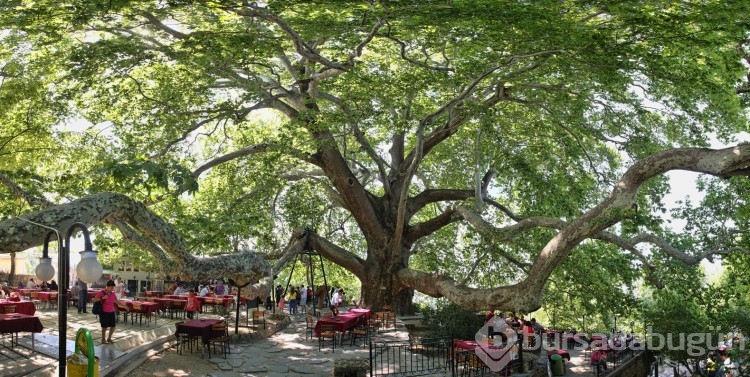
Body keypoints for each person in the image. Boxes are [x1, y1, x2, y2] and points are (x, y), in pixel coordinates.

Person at [94, 280, 122, 344]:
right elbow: (94, 299)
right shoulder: (102, 292)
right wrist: (102, 298)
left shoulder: (112, 293)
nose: (112, 289)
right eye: (111, 287)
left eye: (113, 287)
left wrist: (125, 306)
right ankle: (103, 339)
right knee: (105, 326)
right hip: (104, 311)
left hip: (112, 311)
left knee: (113, 325)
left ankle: (109, 338)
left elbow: (116, 301)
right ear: (107, 286)